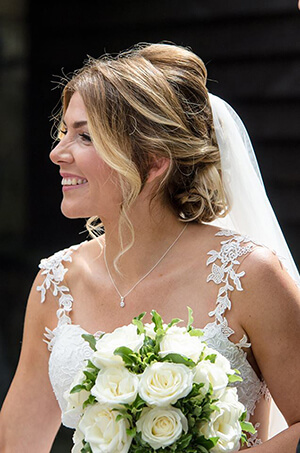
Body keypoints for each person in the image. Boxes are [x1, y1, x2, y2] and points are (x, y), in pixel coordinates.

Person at [0, 43, 299, 452]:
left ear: (153, 161)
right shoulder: (57, 281)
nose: (57, 153)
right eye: (63, 132)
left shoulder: (249, 274)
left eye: (84, 136)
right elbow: (16, 442)